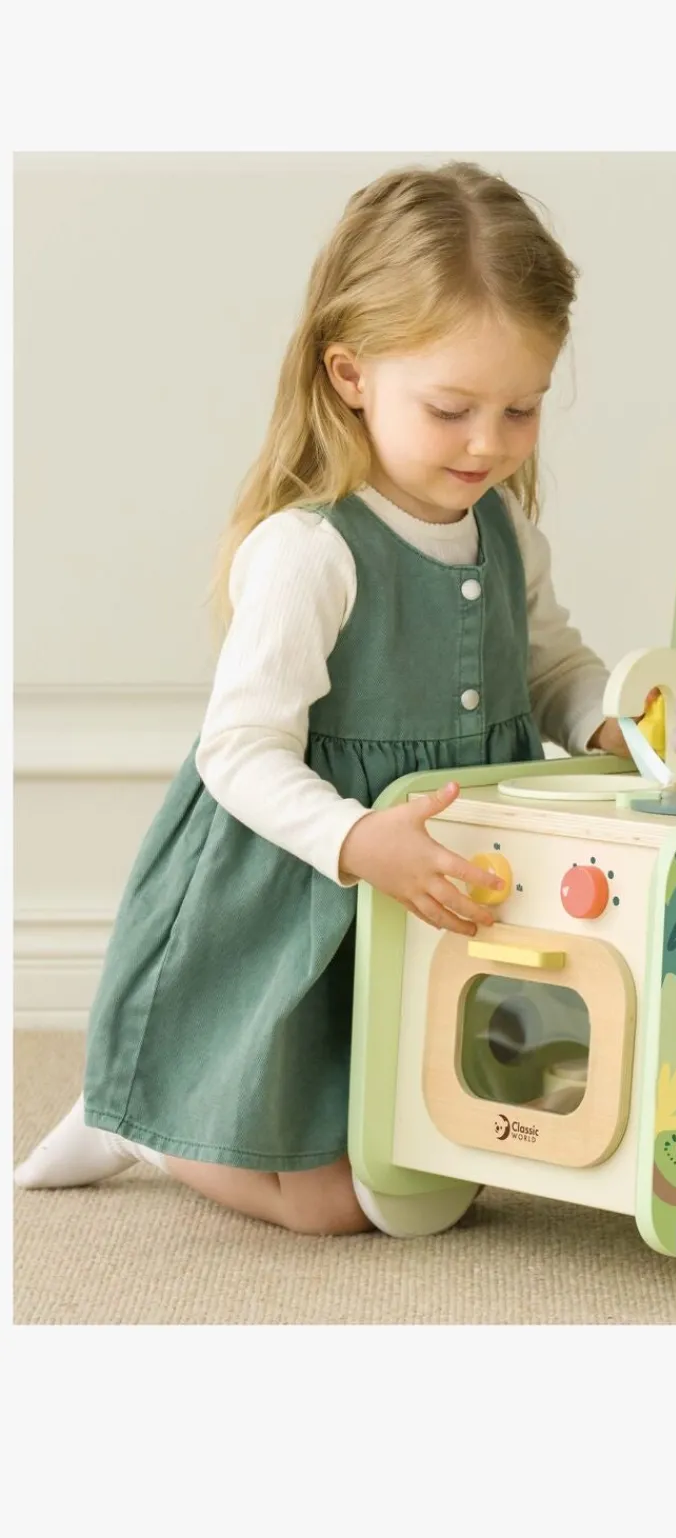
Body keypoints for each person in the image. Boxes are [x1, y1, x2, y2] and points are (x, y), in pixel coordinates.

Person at [15, 161, 631, 1235]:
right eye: (452, 409)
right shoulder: (310, 552)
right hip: (303, 886)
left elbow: (551, 663)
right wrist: (355, 840)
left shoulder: (505, 532)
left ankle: (173, 1114)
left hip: (447, 882)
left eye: (522, 409)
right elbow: (239, 751)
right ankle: (149, 1124)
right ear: (351, 375)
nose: (489, 443)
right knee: (336, 1205)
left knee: (463, 1146)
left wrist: (605, 718)